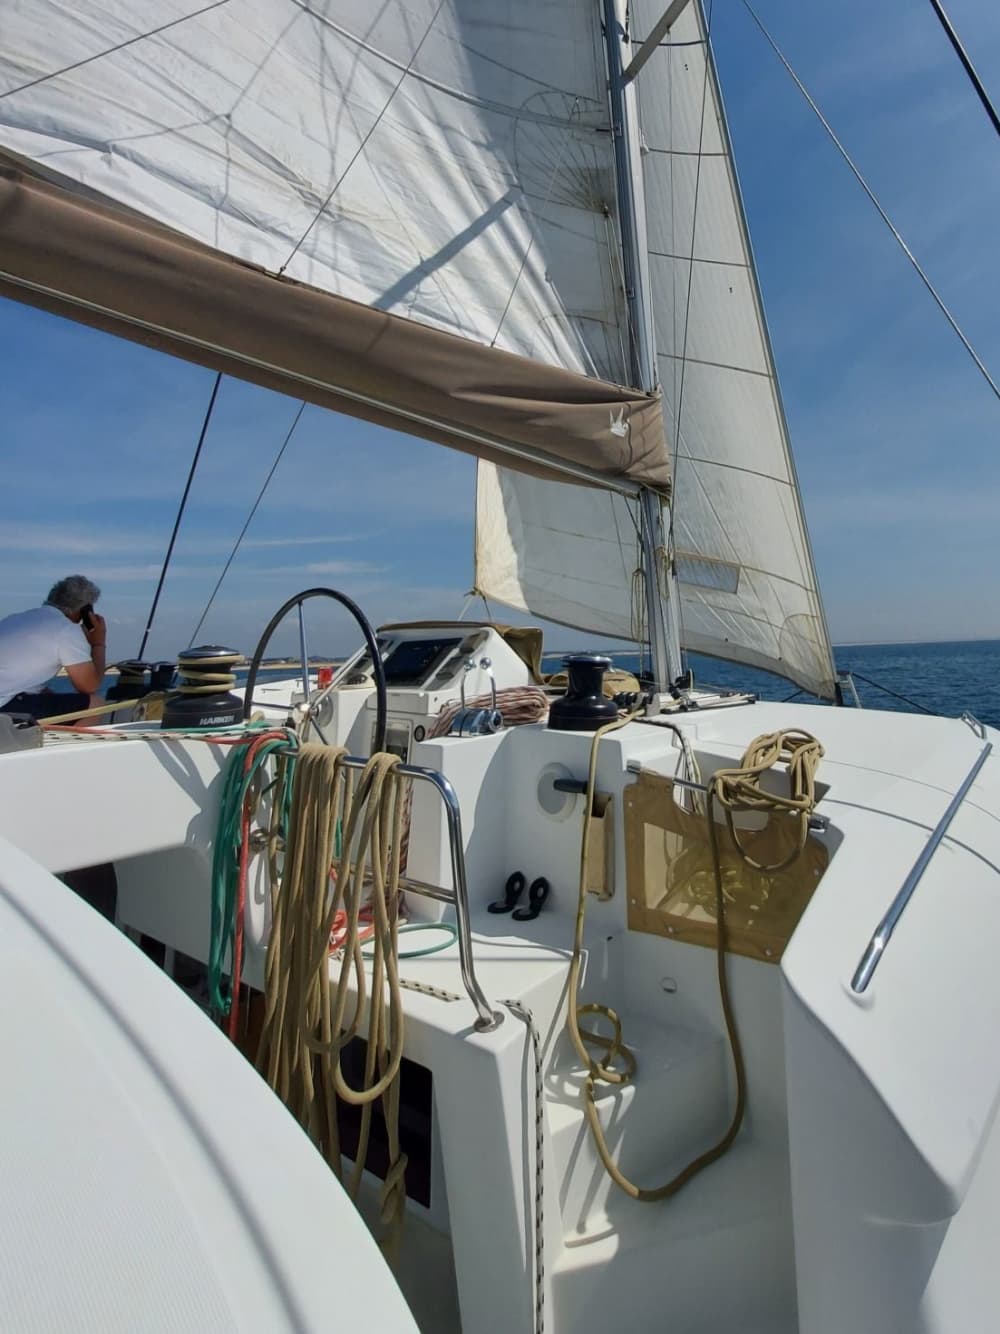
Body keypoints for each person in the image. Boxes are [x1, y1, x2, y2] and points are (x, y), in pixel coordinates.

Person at [0, 575, 107, 721]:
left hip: (8, 697)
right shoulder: (66, 630)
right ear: (85, 610)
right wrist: (98, 643)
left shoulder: (13, 619)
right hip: (5, 705)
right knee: (95, 705)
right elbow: (89, 687)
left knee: (47, 694)